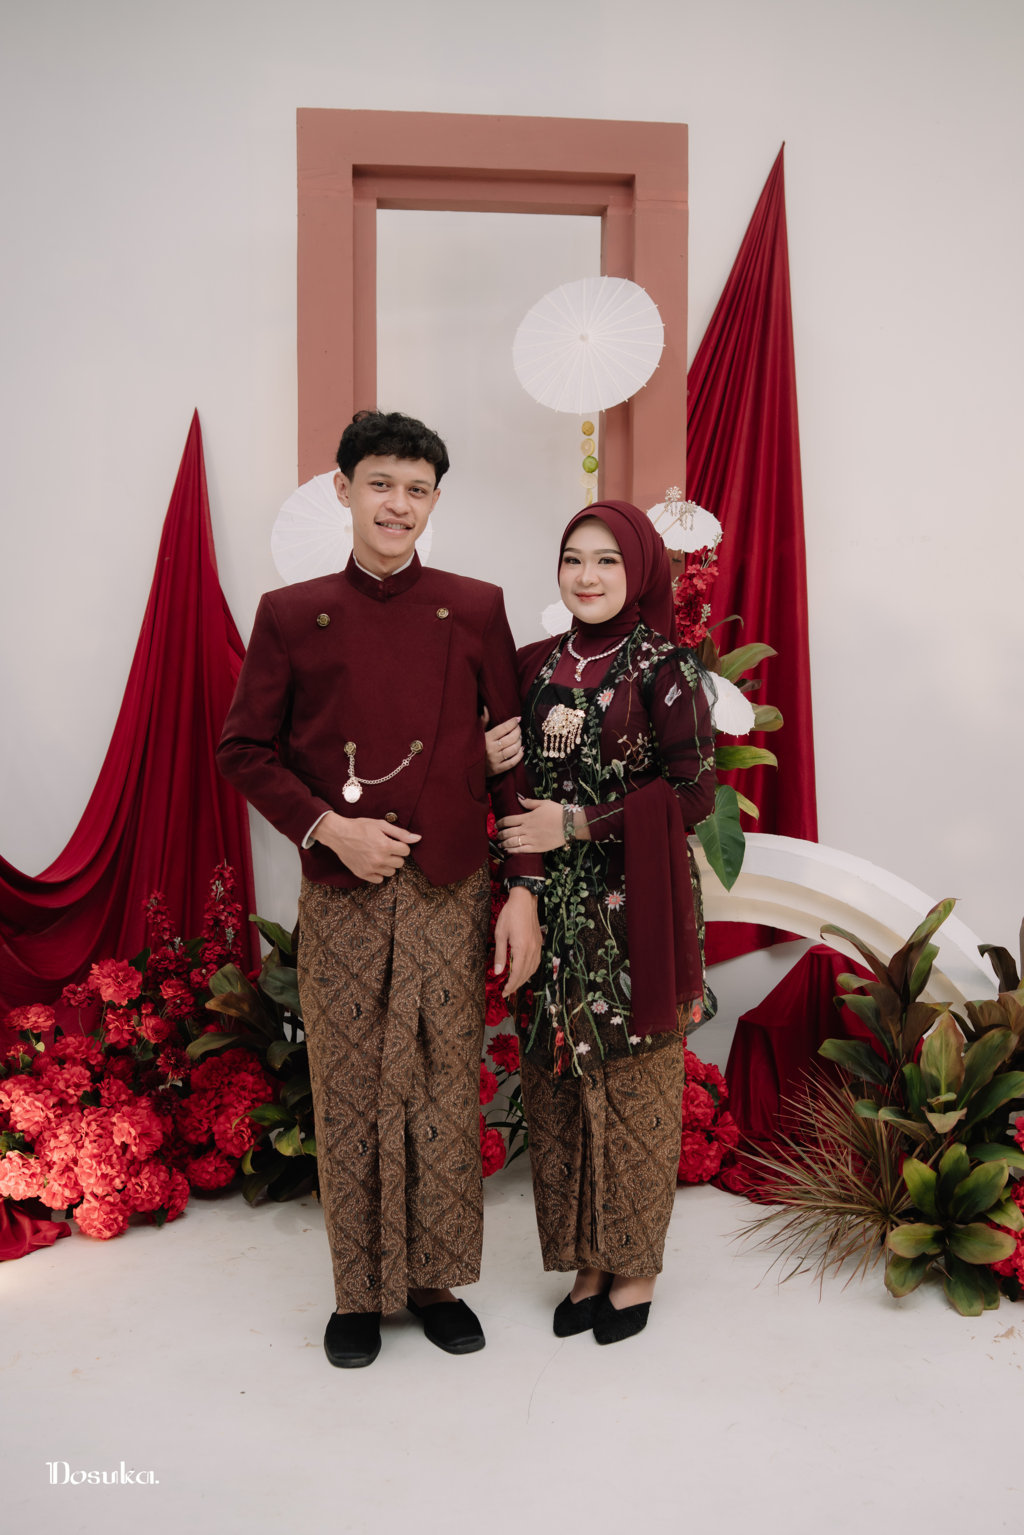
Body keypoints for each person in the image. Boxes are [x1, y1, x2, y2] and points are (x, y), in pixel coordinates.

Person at [217, 411, 543, 1369]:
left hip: (451, 886)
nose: (398, 504)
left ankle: (435, 1283)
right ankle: (357, 1293)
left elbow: (513, 762)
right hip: (343, 890)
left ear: (435, 499)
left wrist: (522, 889)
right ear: (344, 489)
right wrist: (330, 827)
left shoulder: (475, 606)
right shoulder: (290, 613)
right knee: (350, 1086)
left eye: (417, 488)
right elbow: (243, 749)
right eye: (380, 484)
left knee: (443, 1082)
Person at [487, 500, 716, 1345]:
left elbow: (695, 794)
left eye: (607, 560)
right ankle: (588, 1258)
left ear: (641, 570)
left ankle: (635, 1265)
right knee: (559, 1083)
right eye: (573, 558)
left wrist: (579, 824)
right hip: (546, 909)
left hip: (632, 909)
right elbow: (503, 782)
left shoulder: (667, 669)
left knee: (635, 1086)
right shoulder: (532, 665)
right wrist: (485, 759)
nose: (586, 576)